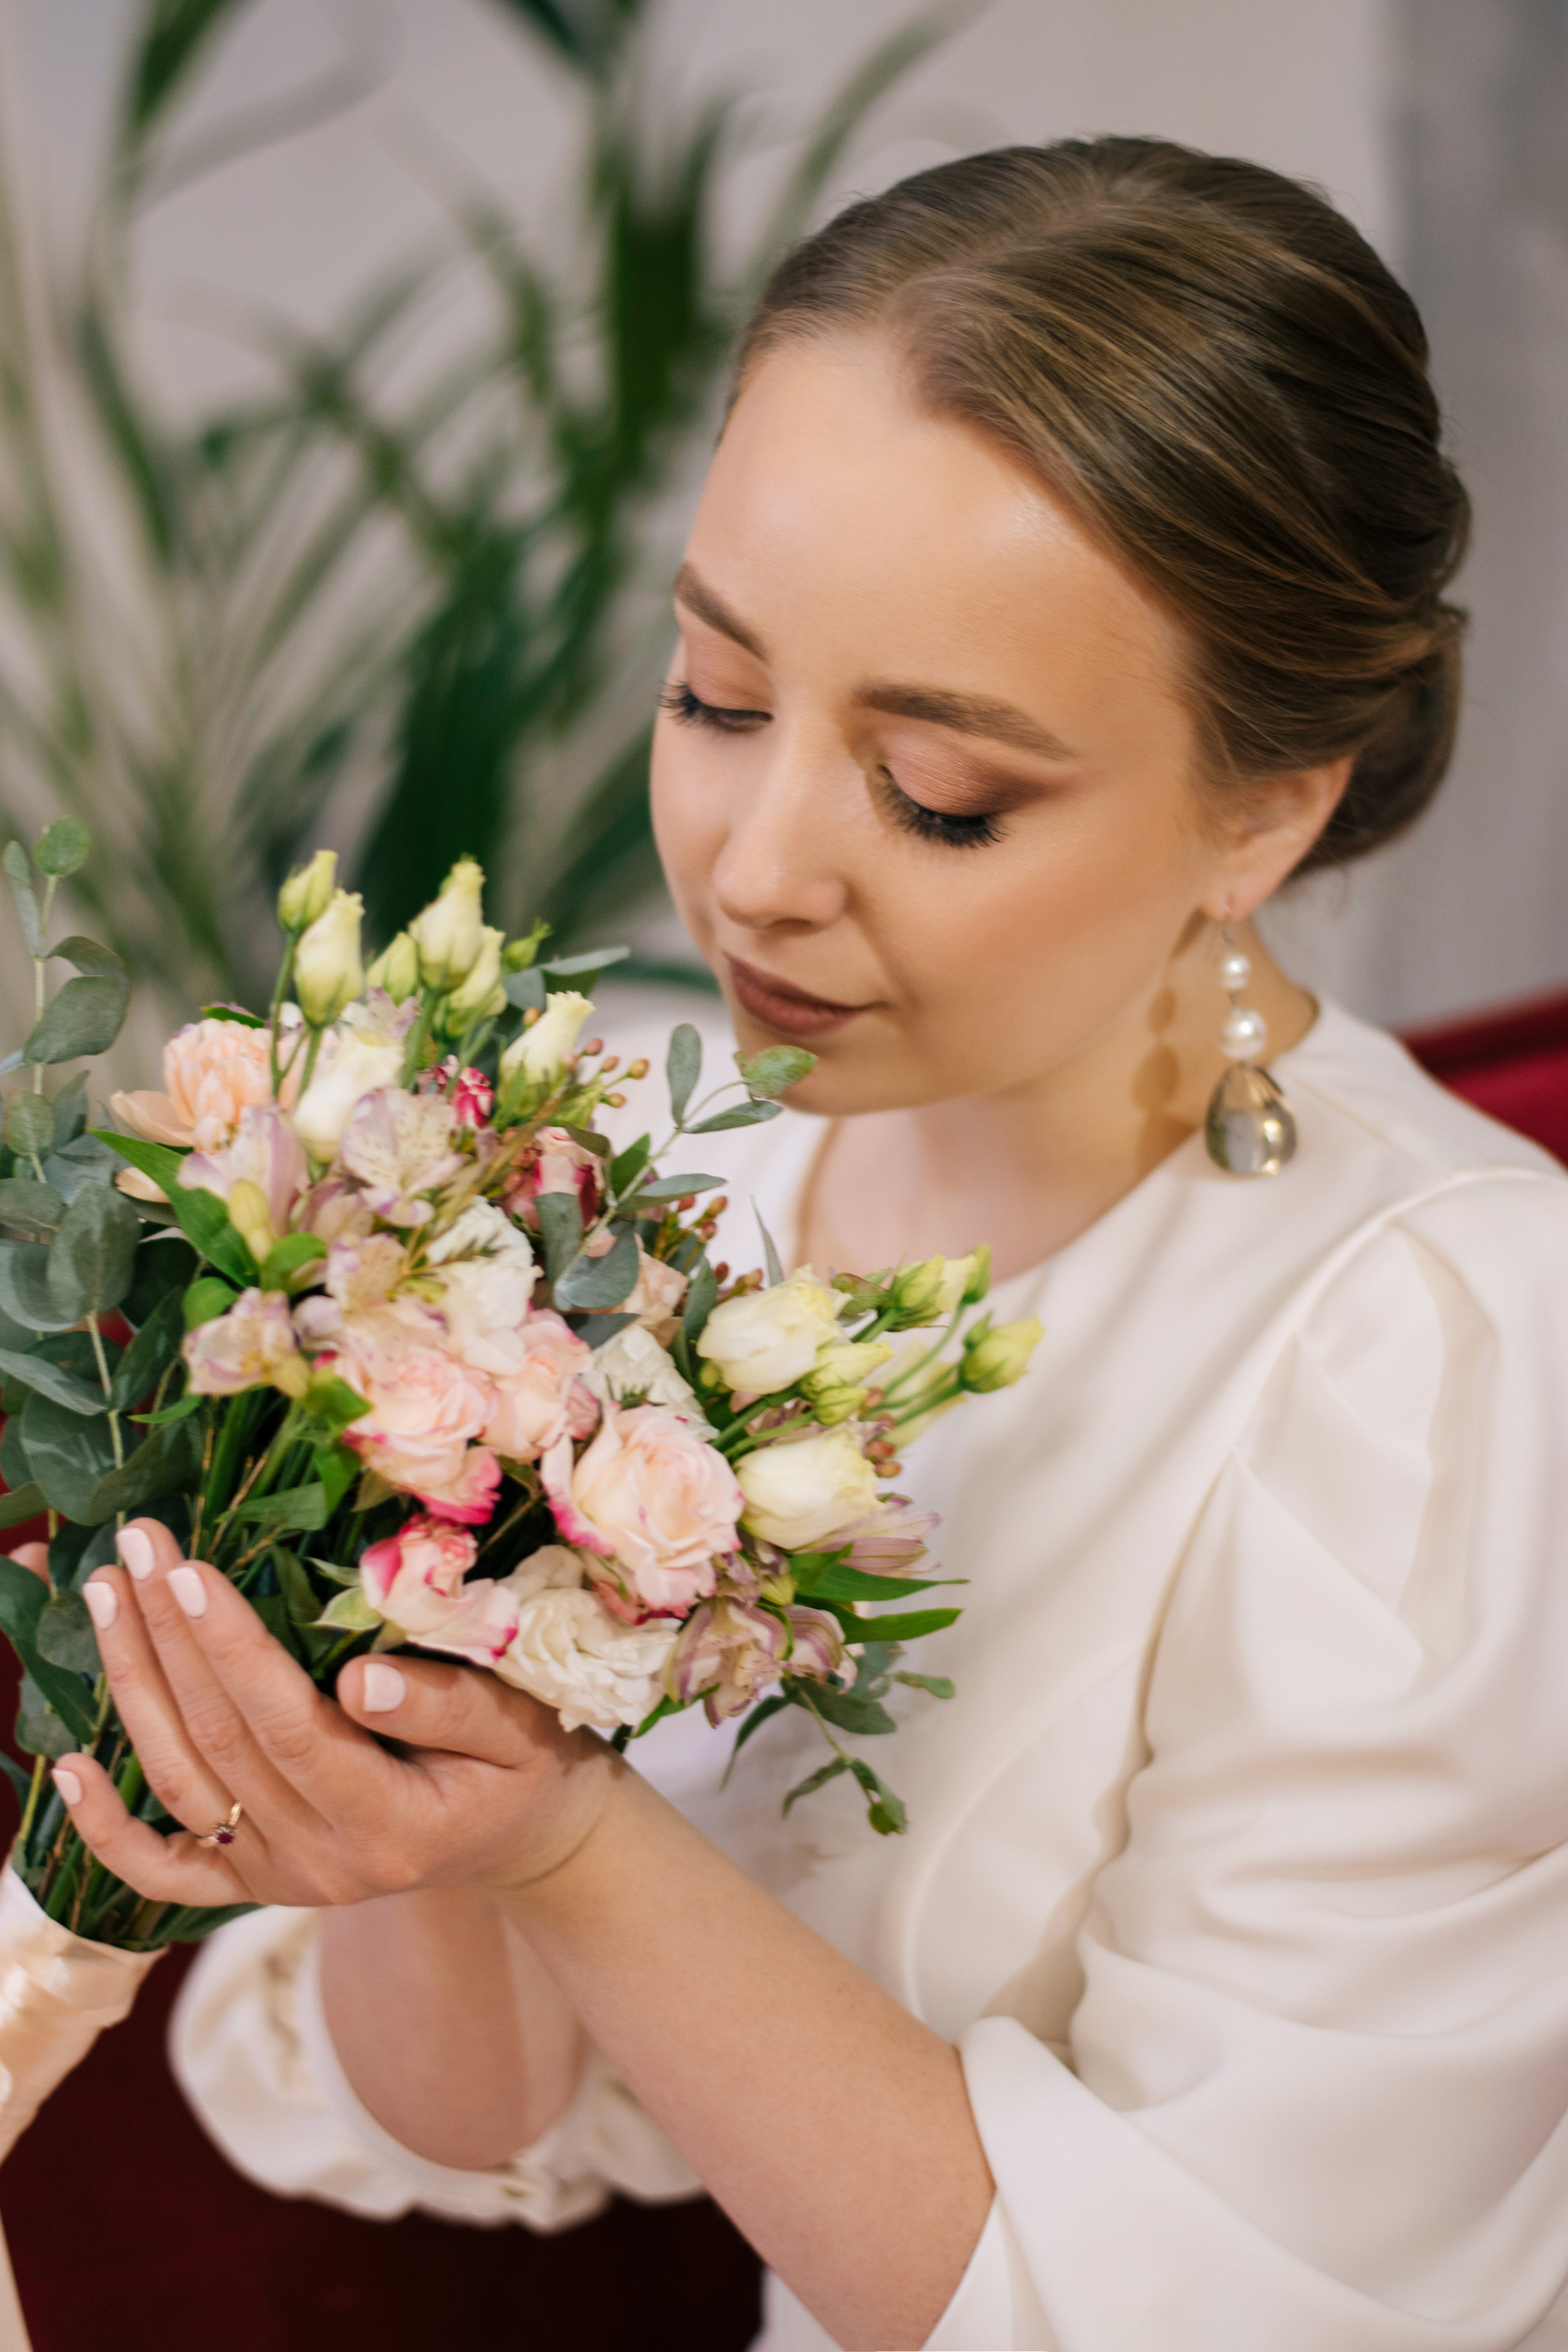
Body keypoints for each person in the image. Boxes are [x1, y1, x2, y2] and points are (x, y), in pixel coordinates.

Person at [50, 140, 1568, 2351]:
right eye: (718, 696)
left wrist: (572, 1842)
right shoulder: (635, 1170)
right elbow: (471, 2135)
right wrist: (411, 1776)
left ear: (1271, 804)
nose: (757, 871)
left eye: (941, 793)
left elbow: (1226, 2311)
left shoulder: (1439, 1365)